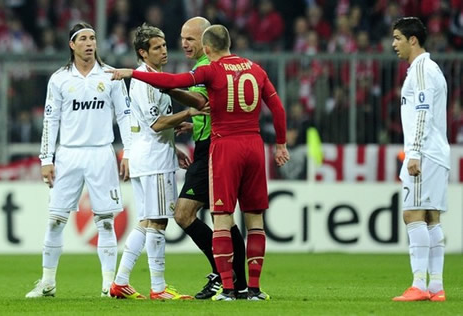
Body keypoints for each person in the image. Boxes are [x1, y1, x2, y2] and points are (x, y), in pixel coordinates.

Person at [107, 24, 290, 301]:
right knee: (254, 221)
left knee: (219, 218)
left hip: (222, 146)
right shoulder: (255, 68)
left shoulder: (209, 69)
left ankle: (227, 285)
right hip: (253, 145)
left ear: (207, 47)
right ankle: (251, 288)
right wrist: (281, 143)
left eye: (187, 40)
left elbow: (175, 84)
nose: (178, 46)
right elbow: (277, 107)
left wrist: (133, 74)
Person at [26, 22, 131, 298]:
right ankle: (47, 282)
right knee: (55, 220)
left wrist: (128, 152)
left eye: (93, 38)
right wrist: (46, 158)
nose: (89, 43)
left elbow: (125, 116)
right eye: (83, 38)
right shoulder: (59, 79)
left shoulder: (111, 76)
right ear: (72, 45)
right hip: (69, 154)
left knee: (105, 221)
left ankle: (109, 285)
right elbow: (51, 121)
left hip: (101, 153)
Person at [108, 23, 206, 300]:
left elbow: (149, 125)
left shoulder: (153, 77)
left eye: (164, 45)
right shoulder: (145, 81)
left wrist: (174, 148)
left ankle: (120, 282)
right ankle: (159, 288)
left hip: (150, 155)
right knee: (159, 222)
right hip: (154, 160)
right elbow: (155, 123)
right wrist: (188, 112)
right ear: (143, 52)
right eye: (157, 47)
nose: (164, 50)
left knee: (146, 221)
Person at [165, 16, 248, 300]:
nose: (184, 43)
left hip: (212, 149)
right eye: (182, 37)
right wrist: (194, 124)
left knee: (184, 213)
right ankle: (239, 282)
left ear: (206, 40)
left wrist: (168, 88)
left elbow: (200, 102)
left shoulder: (207, 67)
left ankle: (221, 273)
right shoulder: (211, 66)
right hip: (209, 143)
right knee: (224, 217)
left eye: (191, 38)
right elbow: (213, 108)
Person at [391, 17, 449, 302]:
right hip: (437, 152)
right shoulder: (428, 69)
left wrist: (413, 152)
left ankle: (418, 284)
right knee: (431, 218)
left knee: (412, 214)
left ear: (413, 40)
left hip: (424, 153)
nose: (394, 44)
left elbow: (423, 112)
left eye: (398, 38)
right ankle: (436, 287)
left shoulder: (422, 69)